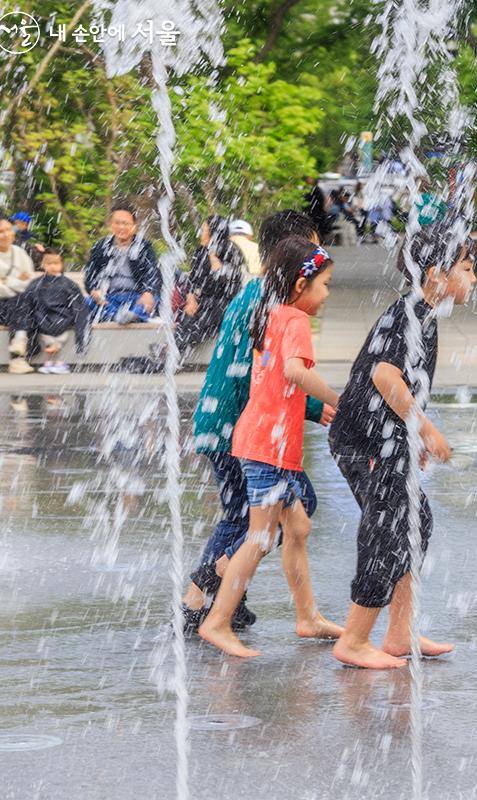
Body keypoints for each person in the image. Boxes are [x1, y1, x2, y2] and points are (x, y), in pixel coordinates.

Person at [328, 224, 475, 669]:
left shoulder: (422, 314)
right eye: (467, 268)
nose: (474, 278)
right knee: (388, 529)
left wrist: (412, 437)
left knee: (416, 522)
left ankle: (398, 633)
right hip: (364, 441)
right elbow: (384, 377)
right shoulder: (410, 314)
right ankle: (354, 640)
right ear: (435, 273)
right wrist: (427, 430)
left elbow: (400, 385)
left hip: (383, 439)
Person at [182, 210, 333, 632]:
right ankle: (202, 593)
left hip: (222, 421)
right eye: (314, 250)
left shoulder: (258, 291)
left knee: (243, 514)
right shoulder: (275, 302)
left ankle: (227, 597)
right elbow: (266, 376)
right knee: (288, 507)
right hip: (239, 427)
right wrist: (317, 408)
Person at [7, 248, 89, 374]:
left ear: (61, 265)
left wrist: (80, 337)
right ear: (42, 265)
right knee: (20, 301)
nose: (52, 266)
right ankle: (20, 337)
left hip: (61, 319)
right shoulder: (36, 284)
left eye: (56, 263)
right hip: (42, 318)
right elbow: (26, 302)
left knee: (24, 304)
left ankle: (21, 337)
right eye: (49, 263)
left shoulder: (69, 285)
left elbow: (79, 308)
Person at [174, 216, 244, 356]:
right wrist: (190, 298)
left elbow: (228, 280)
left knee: (205, 318)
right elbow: (193, 280)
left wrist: (213, 257)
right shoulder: (200, 251)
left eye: (204, 230)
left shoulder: (231, 250)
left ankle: (175, 351)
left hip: (225, 303)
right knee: (185, 315)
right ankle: (173, 349)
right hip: (205, 301)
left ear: (214, 233)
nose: (201, 233)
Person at [83, 203, 160, 324]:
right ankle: (120, 317)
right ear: (111, 225)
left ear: (134, 226)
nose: (121, 227)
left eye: (125, 223)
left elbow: (152, 272)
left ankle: (129, 315)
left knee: (153, 299)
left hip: (135, 297)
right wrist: (93, 290)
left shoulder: (144, 247)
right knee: (84, 301)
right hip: (109, 298)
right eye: (117, 223)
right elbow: (90, 274)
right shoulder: (101, 247)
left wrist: (148, 292)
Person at [0, 216, 36, 372]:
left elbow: (30, 281)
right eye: (1, 231)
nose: (6, 234)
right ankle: (18, 353)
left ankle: (19, 345)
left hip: (21, 303)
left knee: (23, 300)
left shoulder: (20, 253)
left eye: (8, 230)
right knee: (20, 299)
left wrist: (7, 280)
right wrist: (17, 281)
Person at [304, 176, 333, 243]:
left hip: (315, 212)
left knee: (315, 227)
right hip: (312, 212)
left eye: (310, 178)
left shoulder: (315, 189)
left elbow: (321, 201)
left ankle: (317, 240)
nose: (309, 179)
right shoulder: (311, 189)